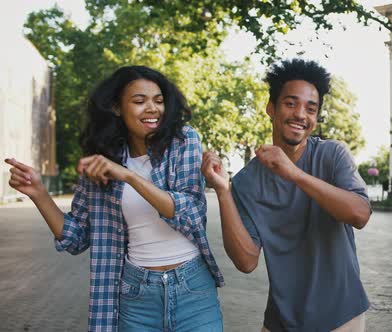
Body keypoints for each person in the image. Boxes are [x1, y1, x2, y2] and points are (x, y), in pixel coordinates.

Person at [5, 65, 224, 332]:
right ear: (117, 108)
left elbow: (190, 213)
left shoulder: (183, 140)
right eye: (139, 101)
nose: (152, 109)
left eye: (158, 100)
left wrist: (129, 176)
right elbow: (75, 238)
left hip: (193, 288)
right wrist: (39, 193)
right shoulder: (102, 160)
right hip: (136, 295)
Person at [201, 59, 371, 332]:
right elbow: (246, 261)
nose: (301, 114)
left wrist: (294, 174)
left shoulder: (332, 155)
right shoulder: (247, 181)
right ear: (271, 108)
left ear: (316, 118)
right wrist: (223, 191)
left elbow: (359, 215)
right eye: (291, 103)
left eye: (310, 108)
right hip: (282, 320)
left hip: (342, 316)